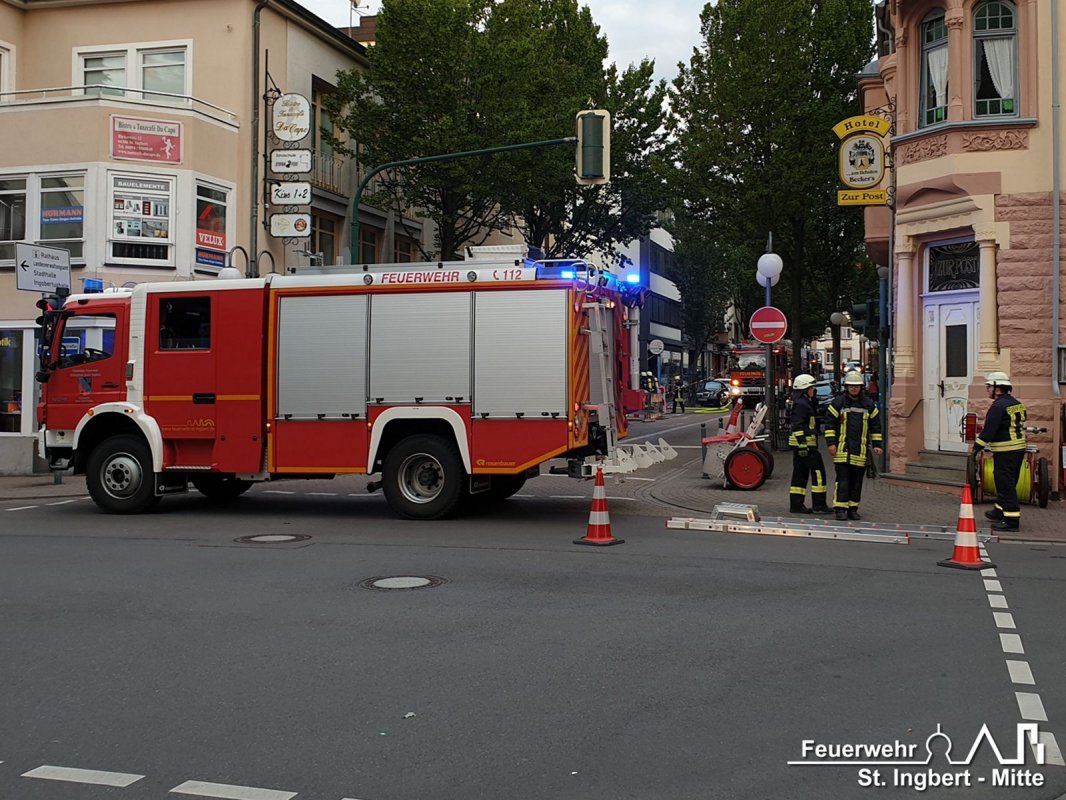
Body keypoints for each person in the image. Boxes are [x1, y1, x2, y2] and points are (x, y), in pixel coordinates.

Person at [824, 371, 883, 520]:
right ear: (846, 387)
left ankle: (852, 508)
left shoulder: (868, 405)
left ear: (861, 387)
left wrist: (877, 444)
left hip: (860, 451)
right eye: (851, 386)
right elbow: (829, 424)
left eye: (856, 386)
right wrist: (831, 444)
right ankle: (840, 509)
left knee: (857, 483)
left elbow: (876, 426)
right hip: (842, 450)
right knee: (842, 481)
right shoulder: (838, 403)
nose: (854, 389)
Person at [973, 372, 1027, 531]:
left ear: (997, 388)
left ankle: (1011, 520)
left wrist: (976, 447)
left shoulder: (997, 406)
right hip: (1018, 450)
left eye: (989, 386)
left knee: (1005, 484)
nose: (987, 390)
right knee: (1009, 481)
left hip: (1006, 451)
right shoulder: (1016, 403)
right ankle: (999, 511)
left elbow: (989, 430)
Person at [788, 374, 832, 514]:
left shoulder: (803, 402)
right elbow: (797, 425)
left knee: (800, 474)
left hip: (802, 445)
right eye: (811, 387)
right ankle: (819, 505)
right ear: (805, 388)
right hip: (806, 445)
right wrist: (802, 444)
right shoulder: (801, 404)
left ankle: (796, 505)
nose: (813, 390)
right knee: (818, 473)